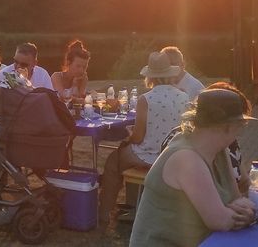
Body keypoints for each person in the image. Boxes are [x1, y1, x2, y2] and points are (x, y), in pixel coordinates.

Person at [129, 89, 257, 246]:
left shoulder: (219, 150)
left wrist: (246, 212)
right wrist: (250, 215)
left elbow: (235, 199)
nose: (240, 131)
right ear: (227, 127)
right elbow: (219, 220)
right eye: (240, 126)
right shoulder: (186, 158)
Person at [99, 51, 190, 224]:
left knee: (113, 161)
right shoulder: (184, 96)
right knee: (126, 157)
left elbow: (139, 138)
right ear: (170, 73)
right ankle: (134, 206)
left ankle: (104, 212)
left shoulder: (146, 99)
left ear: (151, 77)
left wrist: (129, 133)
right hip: (173, 155)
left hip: (151, 156)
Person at [161, 81, 253, 193]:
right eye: (238, 123)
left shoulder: (225, 144)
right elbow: (211, 205)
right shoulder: (186, 150)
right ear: (226, 125)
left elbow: (242, 180)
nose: (239, 130)